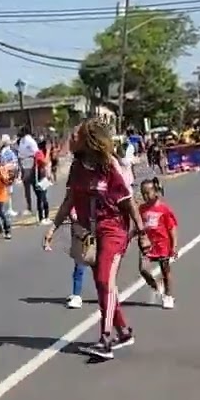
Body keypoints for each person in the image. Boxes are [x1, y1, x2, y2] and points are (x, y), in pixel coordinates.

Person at [44, 121, 150, 360]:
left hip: (113, 230)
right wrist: (53, 227)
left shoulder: (108, 167)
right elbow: (69, 200)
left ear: (88, 140)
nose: (71, 138)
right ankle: (124, 332)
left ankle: (105, 339)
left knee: (104, 280)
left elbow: (128, 201)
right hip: (88, 233)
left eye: (75, 135)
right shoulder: (76, 168)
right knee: (104, 285)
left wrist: (142, 233)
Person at [137, 177, 179, 309]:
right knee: (143, 269)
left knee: (165, 271)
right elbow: (138, 225)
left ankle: (168, 296)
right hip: (147, 245)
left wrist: (174, 246)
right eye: (142, 193)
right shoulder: (141, 209)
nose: (145, 196)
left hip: (162, 244)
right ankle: (155, 285)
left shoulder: (163, 209)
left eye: (147, 193)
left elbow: (172, 228)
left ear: (155, 192)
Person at [14, 127, 40, 216]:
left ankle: (39, 205)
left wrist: (35, 165)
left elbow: (36, 153)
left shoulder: (30, 141)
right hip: (23, 163)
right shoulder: (21, 141)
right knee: (26, 187)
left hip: (30, 162)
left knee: (34, 185)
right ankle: (29, 206)